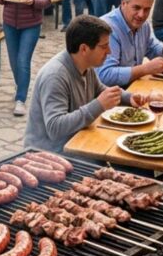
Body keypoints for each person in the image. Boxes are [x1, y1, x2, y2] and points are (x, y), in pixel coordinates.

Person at [23, 16, 146, 153]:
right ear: (84, 49)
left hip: (77, 141)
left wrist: (129, 98)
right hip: (49, 155)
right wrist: (98, 105)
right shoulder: (55, 76)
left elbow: (101, 91)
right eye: (104, 46)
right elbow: (55, 128)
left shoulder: (86, 65)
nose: (109, 51)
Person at [0, 0, 52, 116]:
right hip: (10, 23)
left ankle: (20, 99)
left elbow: (47, 0)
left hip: (31, 24)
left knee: (23, 60)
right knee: (13, 61)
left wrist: (33, 1)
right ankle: (21, 86)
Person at [98, 0, 163, 87]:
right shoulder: (108, 29)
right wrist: (145, 69)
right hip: (111, 98)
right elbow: (105, 76)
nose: (141, 15)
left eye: (147, 9)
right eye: (136, 8)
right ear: (123, 3)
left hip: (134, 88)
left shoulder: (143, 25)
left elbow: (152, 47)